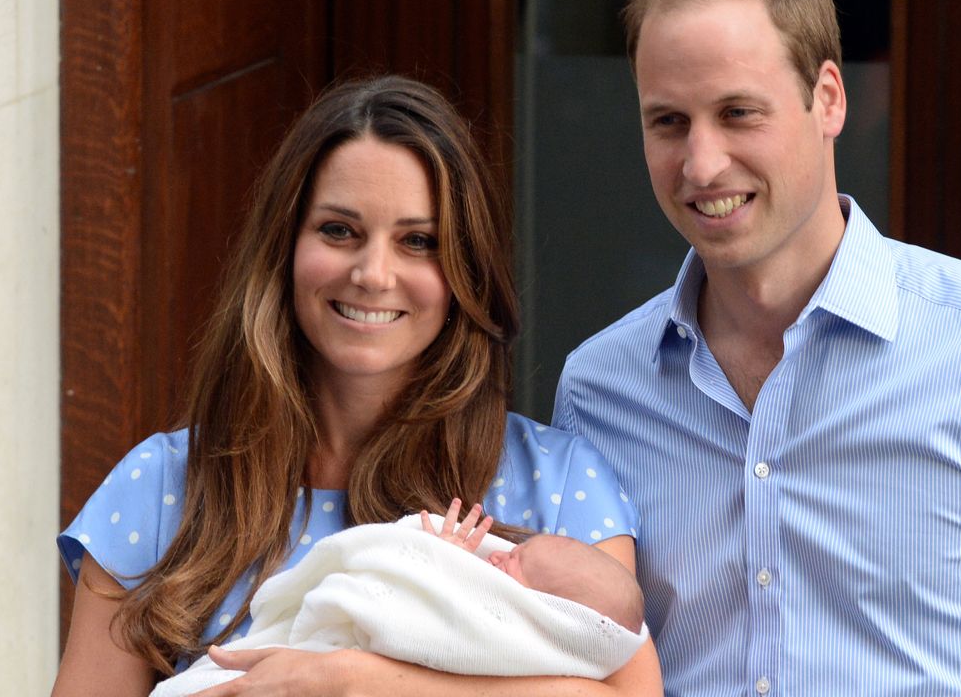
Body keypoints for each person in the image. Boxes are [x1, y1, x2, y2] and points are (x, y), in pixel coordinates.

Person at [551, 0, 961, 695]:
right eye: (668, 122)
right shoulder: (600, 389)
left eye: (737, 113)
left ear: (828, 97)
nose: (701, 164)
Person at [53, 74, 661, 696]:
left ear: (465, 274)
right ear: (285, 247)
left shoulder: (557, 485)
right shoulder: (159, 488)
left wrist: (350, 681)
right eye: (339, 230)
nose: (373, 274)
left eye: (418, 242)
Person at [150, 501, 648, 697]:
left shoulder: (570, 485)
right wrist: (438, 559)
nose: (499, 560)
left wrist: (347, 678)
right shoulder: (161, 483)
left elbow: (418, 620)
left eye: (519, 565)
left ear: (551, 614)